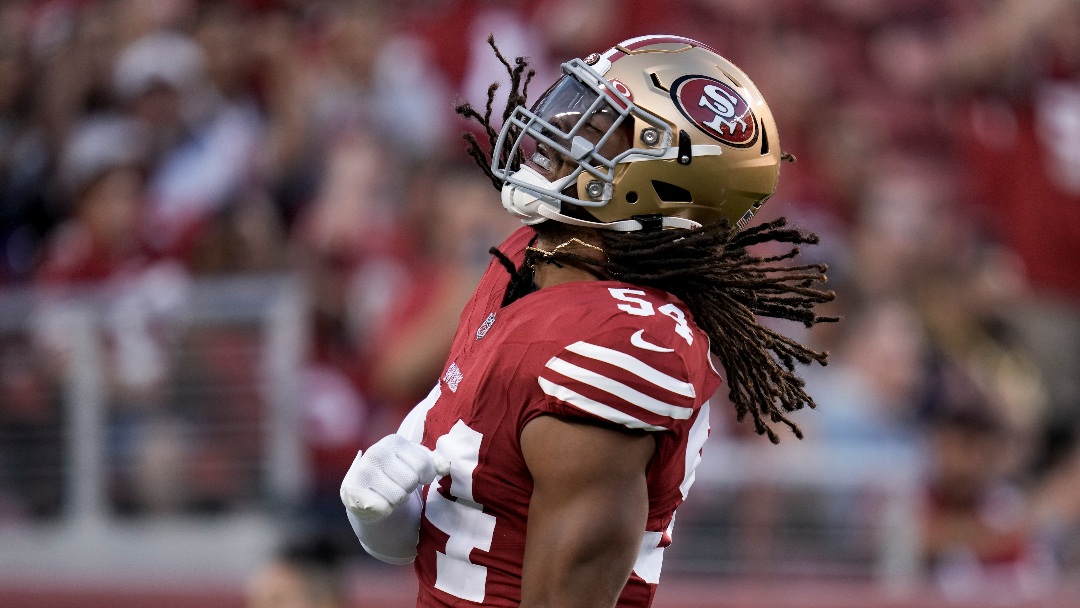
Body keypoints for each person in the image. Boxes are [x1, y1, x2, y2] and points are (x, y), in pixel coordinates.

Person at [340, 35, 837, 607]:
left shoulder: (624, 343)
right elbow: (472, 496)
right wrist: (386, 514)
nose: (566, 127)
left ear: (660, 184)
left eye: (602, 126)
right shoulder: (530, 252)